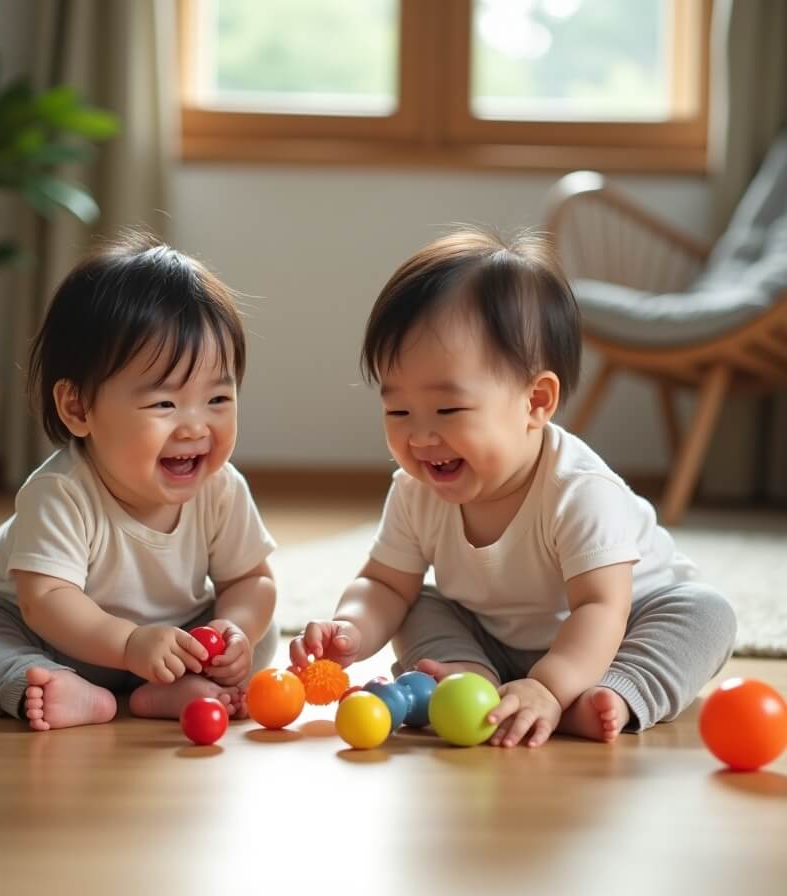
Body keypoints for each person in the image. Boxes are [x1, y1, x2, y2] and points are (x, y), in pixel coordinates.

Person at [290, 230, 736, 747]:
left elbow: (601, 608)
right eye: (398, 411)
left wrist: (549, 685)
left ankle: (613, 691)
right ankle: (468, 678)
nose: (420, 436)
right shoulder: (414, 492)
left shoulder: (579, 491)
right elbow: (384, 584)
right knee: (414, 603)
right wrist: (350, 628)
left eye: (448, 409)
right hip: (496, 638)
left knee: (706, 613)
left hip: (616, 632)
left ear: (536, 401)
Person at [0, 233, 278, 731]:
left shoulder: (221, 488)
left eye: (217, 399)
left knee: (262, 635)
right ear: (78, 408)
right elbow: (45, 601)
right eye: (164, 403)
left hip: (164, 642)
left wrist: (233, 630)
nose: (195, 427)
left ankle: (167, 687)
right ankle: (46, 683)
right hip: (43, 634)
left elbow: (250, 579)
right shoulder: (61, 492)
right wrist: (128, 643)